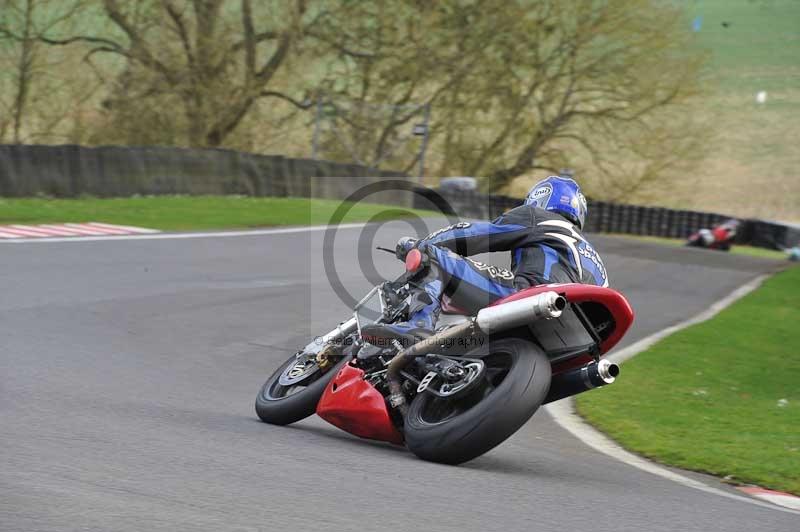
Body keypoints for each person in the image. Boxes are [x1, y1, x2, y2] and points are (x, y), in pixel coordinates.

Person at [368, 176, 609, 343]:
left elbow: (474, 236)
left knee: (433, 258)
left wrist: (421, 246)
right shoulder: (598, 265)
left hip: (529, 297)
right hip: (575, 335)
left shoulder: (540, 217)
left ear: (540, 198)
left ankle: (418, 326)